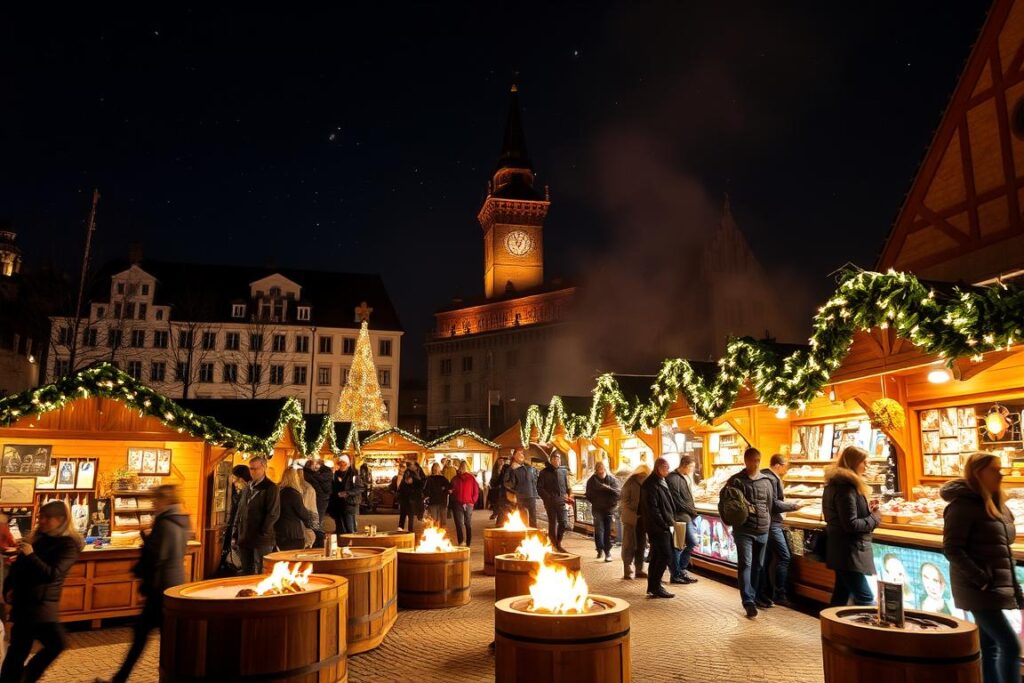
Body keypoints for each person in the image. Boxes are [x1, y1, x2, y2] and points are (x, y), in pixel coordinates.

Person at [942, 451, 1023, 683]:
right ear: (979, 473)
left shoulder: (995, 502)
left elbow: (1004, 544)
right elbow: (952, 548)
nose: (1001, 474)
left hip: (991, 585)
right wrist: (981, 579)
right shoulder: (962, 506)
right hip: (978, 588)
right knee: (1009, 644)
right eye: (995, 470)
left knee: (989, 646)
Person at [98, 485, 189, 683]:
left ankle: (121, 678)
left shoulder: (165, 523)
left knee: (144, 637)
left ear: (165, 500)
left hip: (160, 589)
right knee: (161, 639)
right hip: (173, 587)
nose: (153, 504)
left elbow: (156, 558)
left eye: (156, 500)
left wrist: (141, 573)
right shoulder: (181, 521)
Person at [0, 501, 83, 683]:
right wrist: (8, 590)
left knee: (50, 645)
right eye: (41, 517)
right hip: (27, 603)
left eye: (47, 518)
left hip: (41, 606)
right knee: (21, 650)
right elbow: (17, 569)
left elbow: (52, 574)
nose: (42, 521)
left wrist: (31, 555)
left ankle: (22, 677)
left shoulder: (68, 545)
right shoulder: (38, 539)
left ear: (61, 519)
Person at [720, 447, 779, 618]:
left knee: (758, 566)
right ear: (745, 461)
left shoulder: (767, 481)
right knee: (745, 564)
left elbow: (770, 505)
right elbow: (727, 503)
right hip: (743, 530)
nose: (754, 464)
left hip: (763, 530)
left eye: (757, 461)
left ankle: (753, 596)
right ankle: (748, 602)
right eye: (751, 460)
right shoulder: (736, 481)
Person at [822, 445, 880, 608]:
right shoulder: (846, 488)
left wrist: (867, 510)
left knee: (841, 594)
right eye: (864, 462)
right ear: (854, 463)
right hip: (849, 552)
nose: (866, 466)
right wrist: (874, 517)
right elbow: (851, 524)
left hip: (841, 550)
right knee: (866, 597)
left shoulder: (835, 484)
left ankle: (831, 631)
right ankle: (864, 633)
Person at [758, 454, 803, 606]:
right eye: (785, 466)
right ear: (778, 465)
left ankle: (766, 592)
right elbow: (775, 504)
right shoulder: (772, 478)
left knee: (768, 559)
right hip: (773, 524)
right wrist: (793, 505)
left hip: (766, 523)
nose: (786, 469)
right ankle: (780, 594)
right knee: (784, 557)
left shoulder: (763, 476)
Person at [236, 456, 280, 575]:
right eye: (251, 469)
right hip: (245, 536)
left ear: (264, 467)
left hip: (262, 538)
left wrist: (263, 530)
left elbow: (273, 513)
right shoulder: (248, 487)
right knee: (246, 570)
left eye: (256, 469)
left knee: (262, 569)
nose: (253, 472)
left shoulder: (271, 487)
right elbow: (241, 509)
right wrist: (237, 530)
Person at [639, 458, 676, 598]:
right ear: (658, 467)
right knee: (665, 555)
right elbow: (653, 508)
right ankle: (655, 586)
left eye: (668, 466)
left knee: (657, 556)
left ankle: (653, 586)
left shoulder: (659, 480)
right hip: (657, 527)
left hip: (661, 525)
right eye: (665, 467)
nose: (668, 469)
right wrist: (664, 524)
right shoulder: (651, 484)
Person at [665, 456, 699, 585]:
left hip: (685, 516)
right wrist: (692, 510)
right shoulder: (674, 479)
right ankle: (676, 574)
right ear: (685, 465)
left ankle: (680, 570)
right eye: (691, 467)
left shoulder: (681, 477)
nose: (692, 470)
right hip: (678, 517)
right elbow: (677, 500)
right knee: (678, 545)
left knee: (689, 543)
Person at [619, 463, 649, 580]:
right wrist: (633, 512)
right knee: (629, 544)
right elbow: (624, 501)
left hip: (642, 518)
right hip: (631, 519)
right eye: (642, 475)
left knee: (641, 544)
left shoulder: (647, 483)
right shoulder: (630, 483)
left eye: (645, 475)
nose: (643, 477)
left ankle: (639, 569)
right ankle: (627, 567)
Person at [586, 461, 620, 562]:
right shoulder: (591, 481)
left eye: (602, 468)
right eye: (599, 468)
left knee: (607, 531)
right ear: (596, 470)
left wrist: (607, 489)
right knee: (599, 529)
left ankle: (607, 552)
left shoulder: (612, 480)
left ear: (605, 468)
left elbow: (618, 493)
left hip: (609, 508)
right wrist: (596, 501)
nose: (601, 470)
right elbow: (588, 494)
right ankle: (600, 548)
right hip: (597, 509)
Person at [538, 453, 571, 553]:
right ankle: (554, 544)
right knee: (553, 523)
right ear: (551, 460)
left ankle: (558, 542)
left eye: (559, 459)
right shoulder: (544, 472)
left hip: (561, 500)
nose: (558, 461)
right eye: (556, 459)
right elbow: (539, 488)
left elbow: (566, 484)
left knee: (564, 522)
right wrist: (548, 498)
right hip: (550, 502)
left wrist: (568, 493)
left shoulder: (562, 471)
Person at [275, 468, 314, 551]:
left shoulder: (277, 492)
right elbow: (303, 514)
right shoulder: (294, 494)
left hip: (278, 531)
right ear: (295, 478)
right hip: (293, 533)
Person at [329, 455, 364, 534]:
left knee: (350, 527)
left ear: (347, 464)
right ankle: (341, 542)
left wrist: (347, 493)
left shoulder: (354, 475)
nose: (341, 465)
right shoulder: (335, 474)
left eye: (343, 463)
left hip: (350, 504)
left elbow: (360, 488)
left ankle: (351, 542)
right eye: (340, 463)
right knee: (340, 527)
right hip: (338, 504)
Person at [450, 461, 481, 546]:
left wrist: (473, 500)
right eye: (461, 466)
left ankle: (468, 542)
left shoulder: (471, 478)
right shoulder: (455, 479)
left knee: (468, 523)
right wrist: (452, 494)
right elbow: (451, 489)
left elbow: (476, 490)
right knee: (459, 523)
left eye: (464, 467)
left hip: (468, 503)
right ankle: (461, 542)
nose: (462, 468)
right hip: (458, 503)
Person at [508, 449, 540, 528]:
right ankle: (524, 534)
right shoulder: (512, 469)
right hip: (521, 496)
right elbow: (509, 483)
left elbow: (534, 481)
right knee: (523, 517)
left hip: (531, 495)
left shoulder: (530, 468)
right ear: (514, 456)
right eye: (518, 454)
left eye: (522, 454)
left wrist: (535, 492)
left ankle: (533, 534)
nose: (521, 456)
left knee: (532, 517)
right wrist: (513, 492)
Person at [304, 458, 332, 537]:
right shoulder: (313, 473)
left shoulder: (326, 472)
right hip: (320, 497)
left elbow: (323, 486)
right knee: (316, 519)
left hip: (321, 498)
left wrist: (313, 474)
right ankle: (317, 537)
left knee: (317, 519)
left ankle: (318, 538)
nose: (314, 466)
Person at [397, 460, 425, 531]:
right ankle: (403, 527)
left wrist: (414, 481)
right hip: (408, 496)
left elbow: (422, 483)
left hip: (415, 496)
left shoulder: (419, 472)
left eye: (411, 465)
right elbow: (404, 483)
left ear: (415, 465)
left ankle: (410, 529)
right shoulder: (408, 472)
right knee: (407, 513)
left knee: (412, 514)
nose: (409, 467)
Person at [490, 456, 512, 523]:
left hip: (504, 490)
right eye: (500, 461)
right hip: (496, 490)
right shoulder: (495, 469)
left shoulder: (506, 468)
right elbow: (495, 480)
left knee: (503, 506)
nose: (501, 462)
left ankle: (501, 520)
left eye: (502, 461)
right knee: (498, 504)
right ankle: (497, 516)